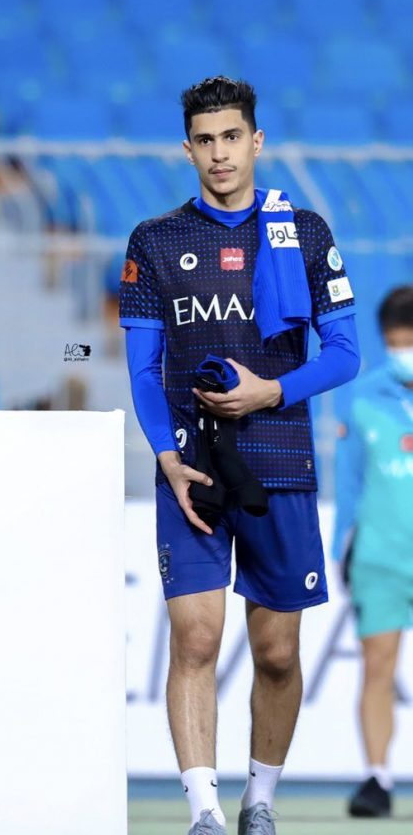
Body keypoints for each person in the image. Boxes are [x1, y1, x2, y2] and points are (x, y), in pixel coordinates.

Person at [119, 76, 360, 835]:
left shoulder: (305, 232)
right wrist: (165, 455)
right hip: (191, 468)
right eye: (205, 140)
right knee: (195, 636)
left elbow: (345, 354)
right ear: (186, 149)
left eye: (231, 137)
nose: (219, 153)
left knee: (278, 653)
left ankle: (260, 802)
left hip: (281, 462)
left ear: (256, 141)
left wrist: (270, 391)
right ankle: (204, 813)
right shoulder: (154, 240)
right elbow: (143, 369)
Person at [332, 284, 413, 819]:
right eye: (395, 342)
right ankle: (377, 778)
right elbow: (349, 482)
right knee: (377, 665)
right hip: (380, 557)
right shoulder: (364, 398)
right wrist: (342, 548)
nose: (403, 352)